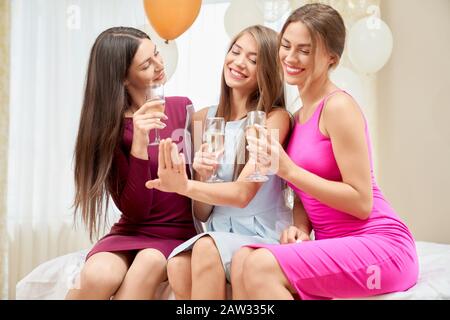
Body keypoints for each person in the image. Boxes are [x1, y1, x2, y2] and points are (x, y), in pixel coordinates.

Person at [236, 3, 419, 300]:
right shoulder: (296, 117)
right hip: (337, 244)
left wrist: (289, 170)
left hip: (382, 247)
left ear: (332, 58)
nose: (290, 58)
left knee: (259, 266)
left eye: (305, 51)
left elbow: (361, 202)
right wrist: (301, 227)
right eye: (286, 45)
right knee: (245, 259)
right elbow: (302, 194)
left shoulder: (338, 107)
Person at [145, 25, 293, 300]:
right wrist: (201, 176)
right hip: (218, 234)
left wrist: (185, 185)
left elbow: (242, 195)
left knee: (203, 248)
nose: (238, 62)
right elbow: (202, 214)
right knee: (178, 265)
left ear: (268, 72)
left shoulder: (274, 119)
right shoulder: (205, 119)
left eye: (253, 59)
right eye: (235, 52)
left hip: (261, 236)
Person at [66, 27, 197, 300]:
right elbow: (136, 211)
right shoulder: (109, 130)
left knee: (149, 261)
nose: (160, 66)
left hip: (176, 232)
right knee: (98, 275)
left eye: (157, 55)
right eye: (147, 64)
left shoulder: (181, 107)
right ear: (124, 78)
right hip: (132, 229)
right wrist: (139, 140)